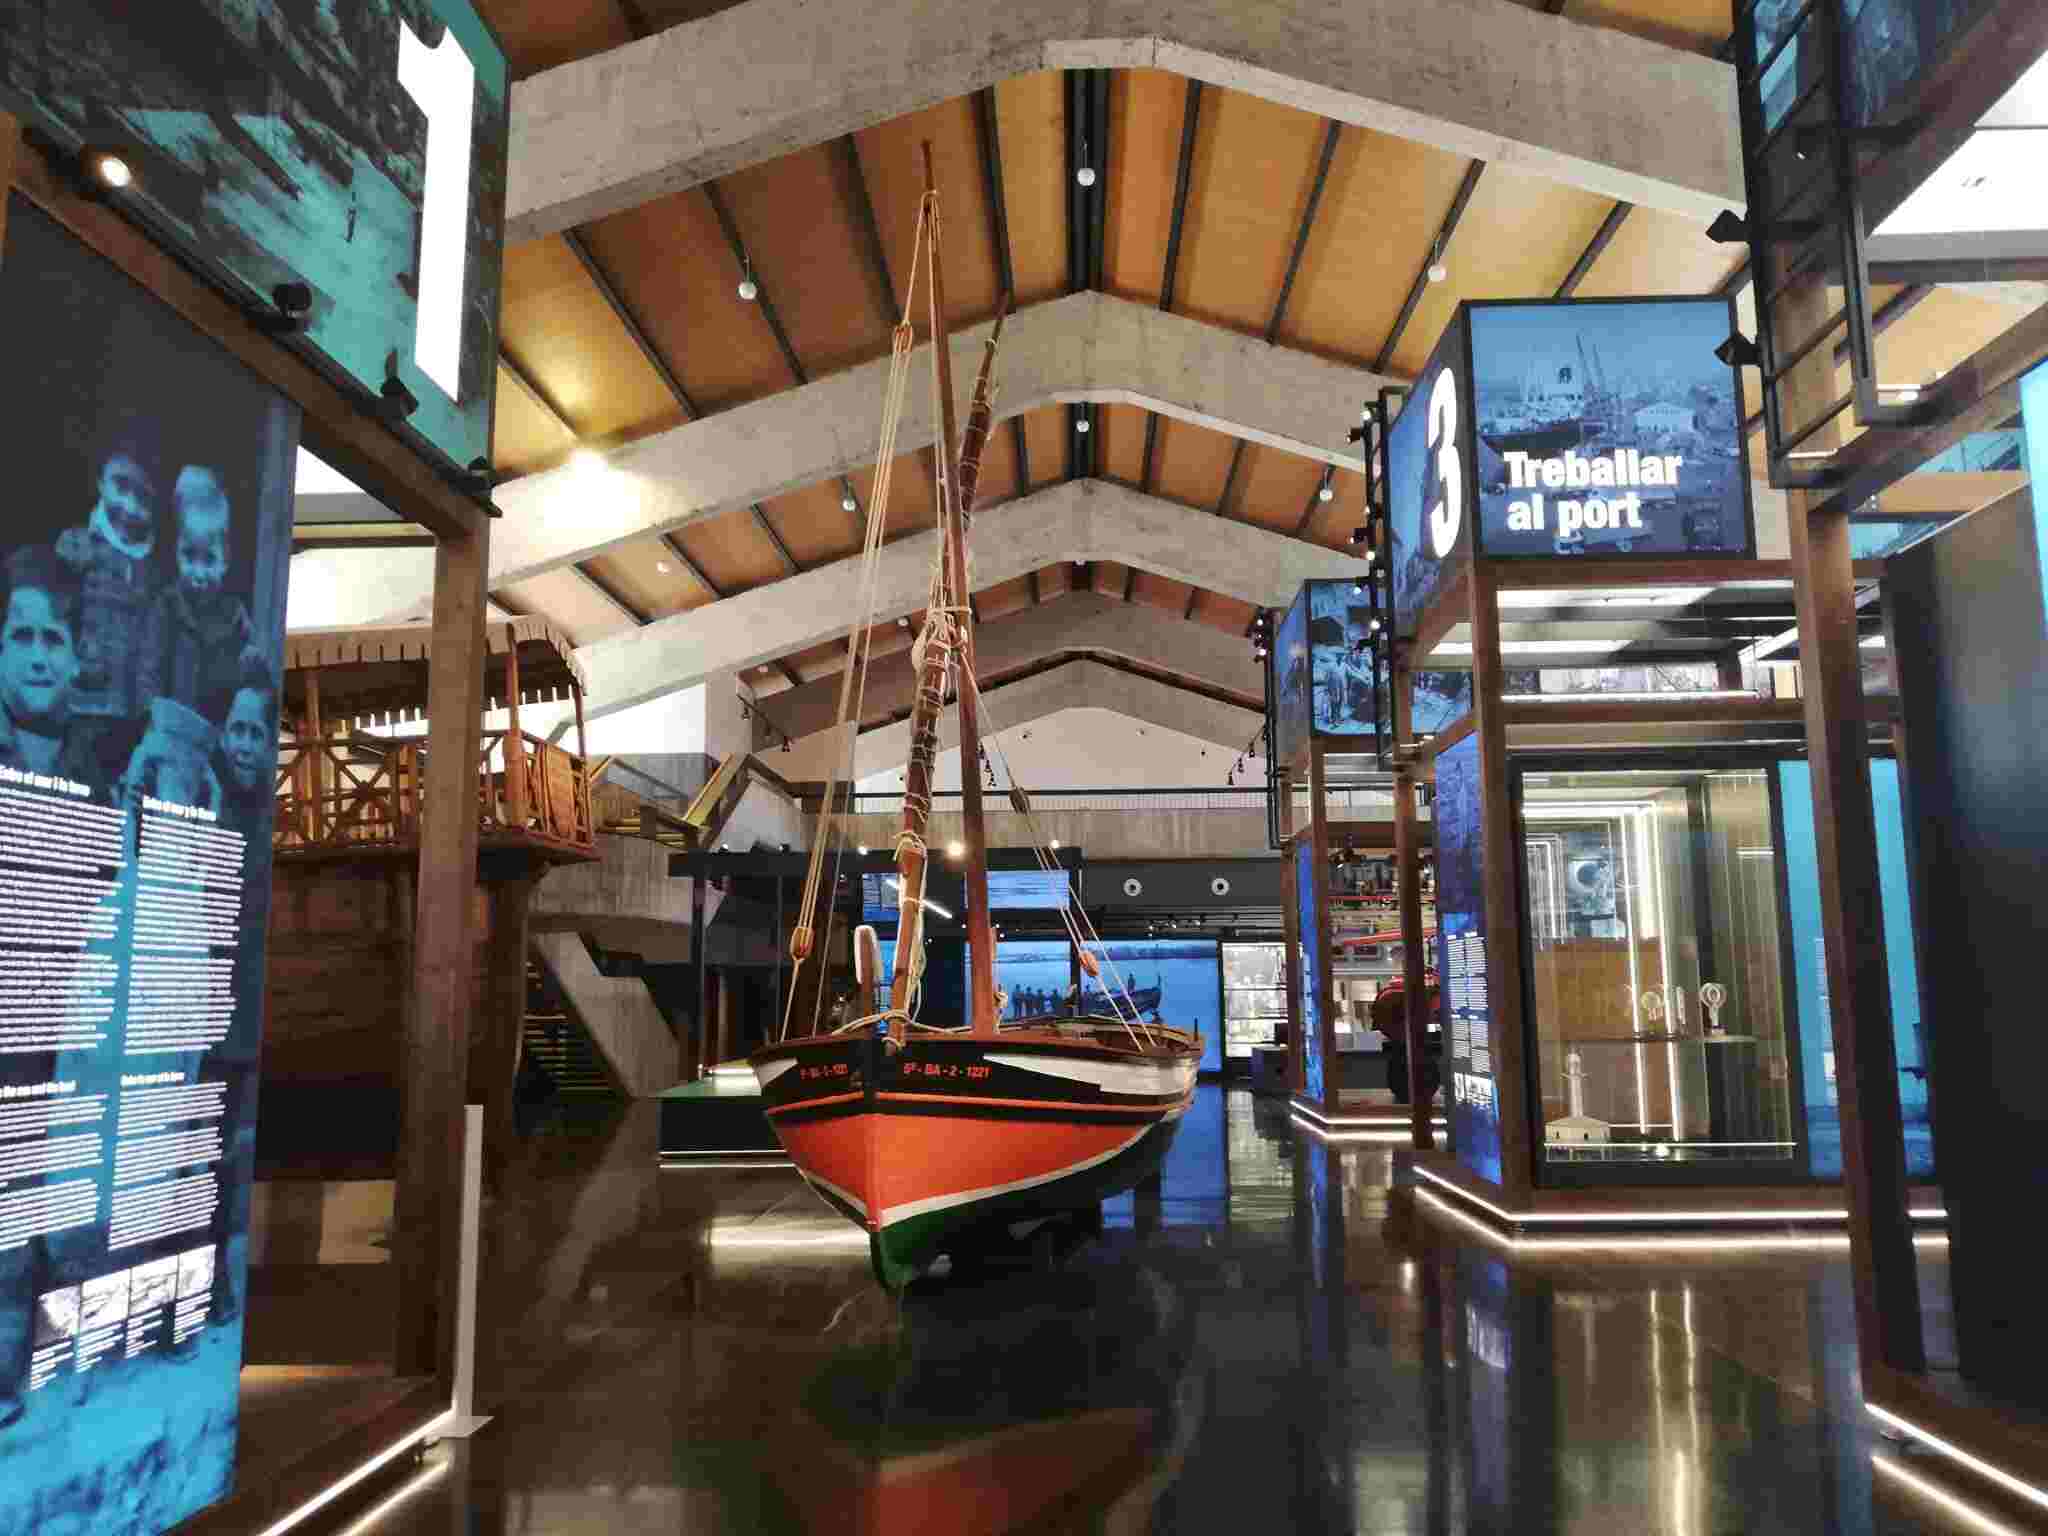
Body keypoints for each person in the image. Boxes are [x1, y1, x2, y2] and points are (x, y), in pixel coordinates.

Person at [56, 432, 165, 721]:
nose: (129, 506)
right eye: (121, 486)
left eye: (143, 497)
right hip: (78, 703)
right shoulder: (76, 546)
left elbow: (152, 650)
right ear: (100, 482)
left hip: (129, 711)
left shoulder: (155, 573)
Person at [138, 465, 264, 715]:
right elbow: (148, 669)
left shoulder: (234, 613)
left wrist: (249, 662)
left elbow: (252, 669)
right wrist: (151, 711)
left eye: (209, 559)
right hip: (171, 722)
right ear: (176, 551)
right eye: (188, 555)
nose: (197, 571)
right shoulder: (167, 605)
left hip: (216, 724)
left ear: (225, 561)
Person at [0, 546, 117, 785]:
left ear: (76, 657)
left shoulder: (97, 770)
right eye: (22, 636)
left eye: (53, 639)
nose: (38, 659)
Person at [1376, 975, 1443, 1106]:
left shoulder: (1387, 995)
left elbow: (1381, 1024)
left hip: (1400, 1047)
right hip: (1415, 1049)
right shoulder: (1417, 998)